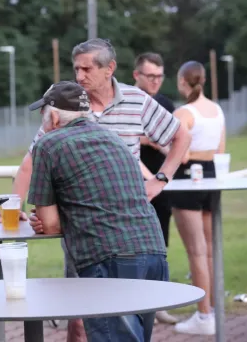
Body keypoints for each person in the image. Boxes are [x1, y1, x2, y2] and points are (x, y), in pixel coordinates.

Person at [18, 38, 191, 341]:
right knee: (99, 328)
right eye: (77, 69)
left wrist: (160, 179)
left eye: (87, 68)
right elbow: (29, 168)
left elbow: (51, 223)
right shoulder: (94, 122)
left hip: (103, 249)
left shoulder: (54, 137)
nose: (80, 76)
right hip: (146, 245)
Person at [28, 81, 169, 342]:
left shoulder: (48, 145)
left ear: (55, 116)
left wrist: (57, 219)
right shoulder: (113, 139)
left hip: (108, 259)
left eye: (43, 116)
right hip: (154, 252)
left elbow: (49, 224)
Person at [171, 61, 226, 336]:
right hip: (213, 176)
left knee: (197, 251)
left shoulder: (184, 112)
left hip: (187, 179)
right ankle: (214, 312)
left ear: (183, 81)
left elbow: (180, 154)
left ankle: (204, 316)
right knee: (211, 248)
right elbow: (221, 150)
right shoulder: (217, 111)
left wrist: (154, 143)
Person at [133, 52, 178, 325]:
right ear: (136, 75)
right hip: (132, 183)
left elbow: (174, 142)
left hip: (159, 184)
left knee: (160, 246)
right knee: (133, 249)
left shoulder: (164, 104)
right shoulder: (127, 102)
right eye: (150, 76)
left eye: (160, 76)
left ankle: (159, 302)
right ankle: (137, 303)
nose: (156, 81)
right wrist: (146, 139)